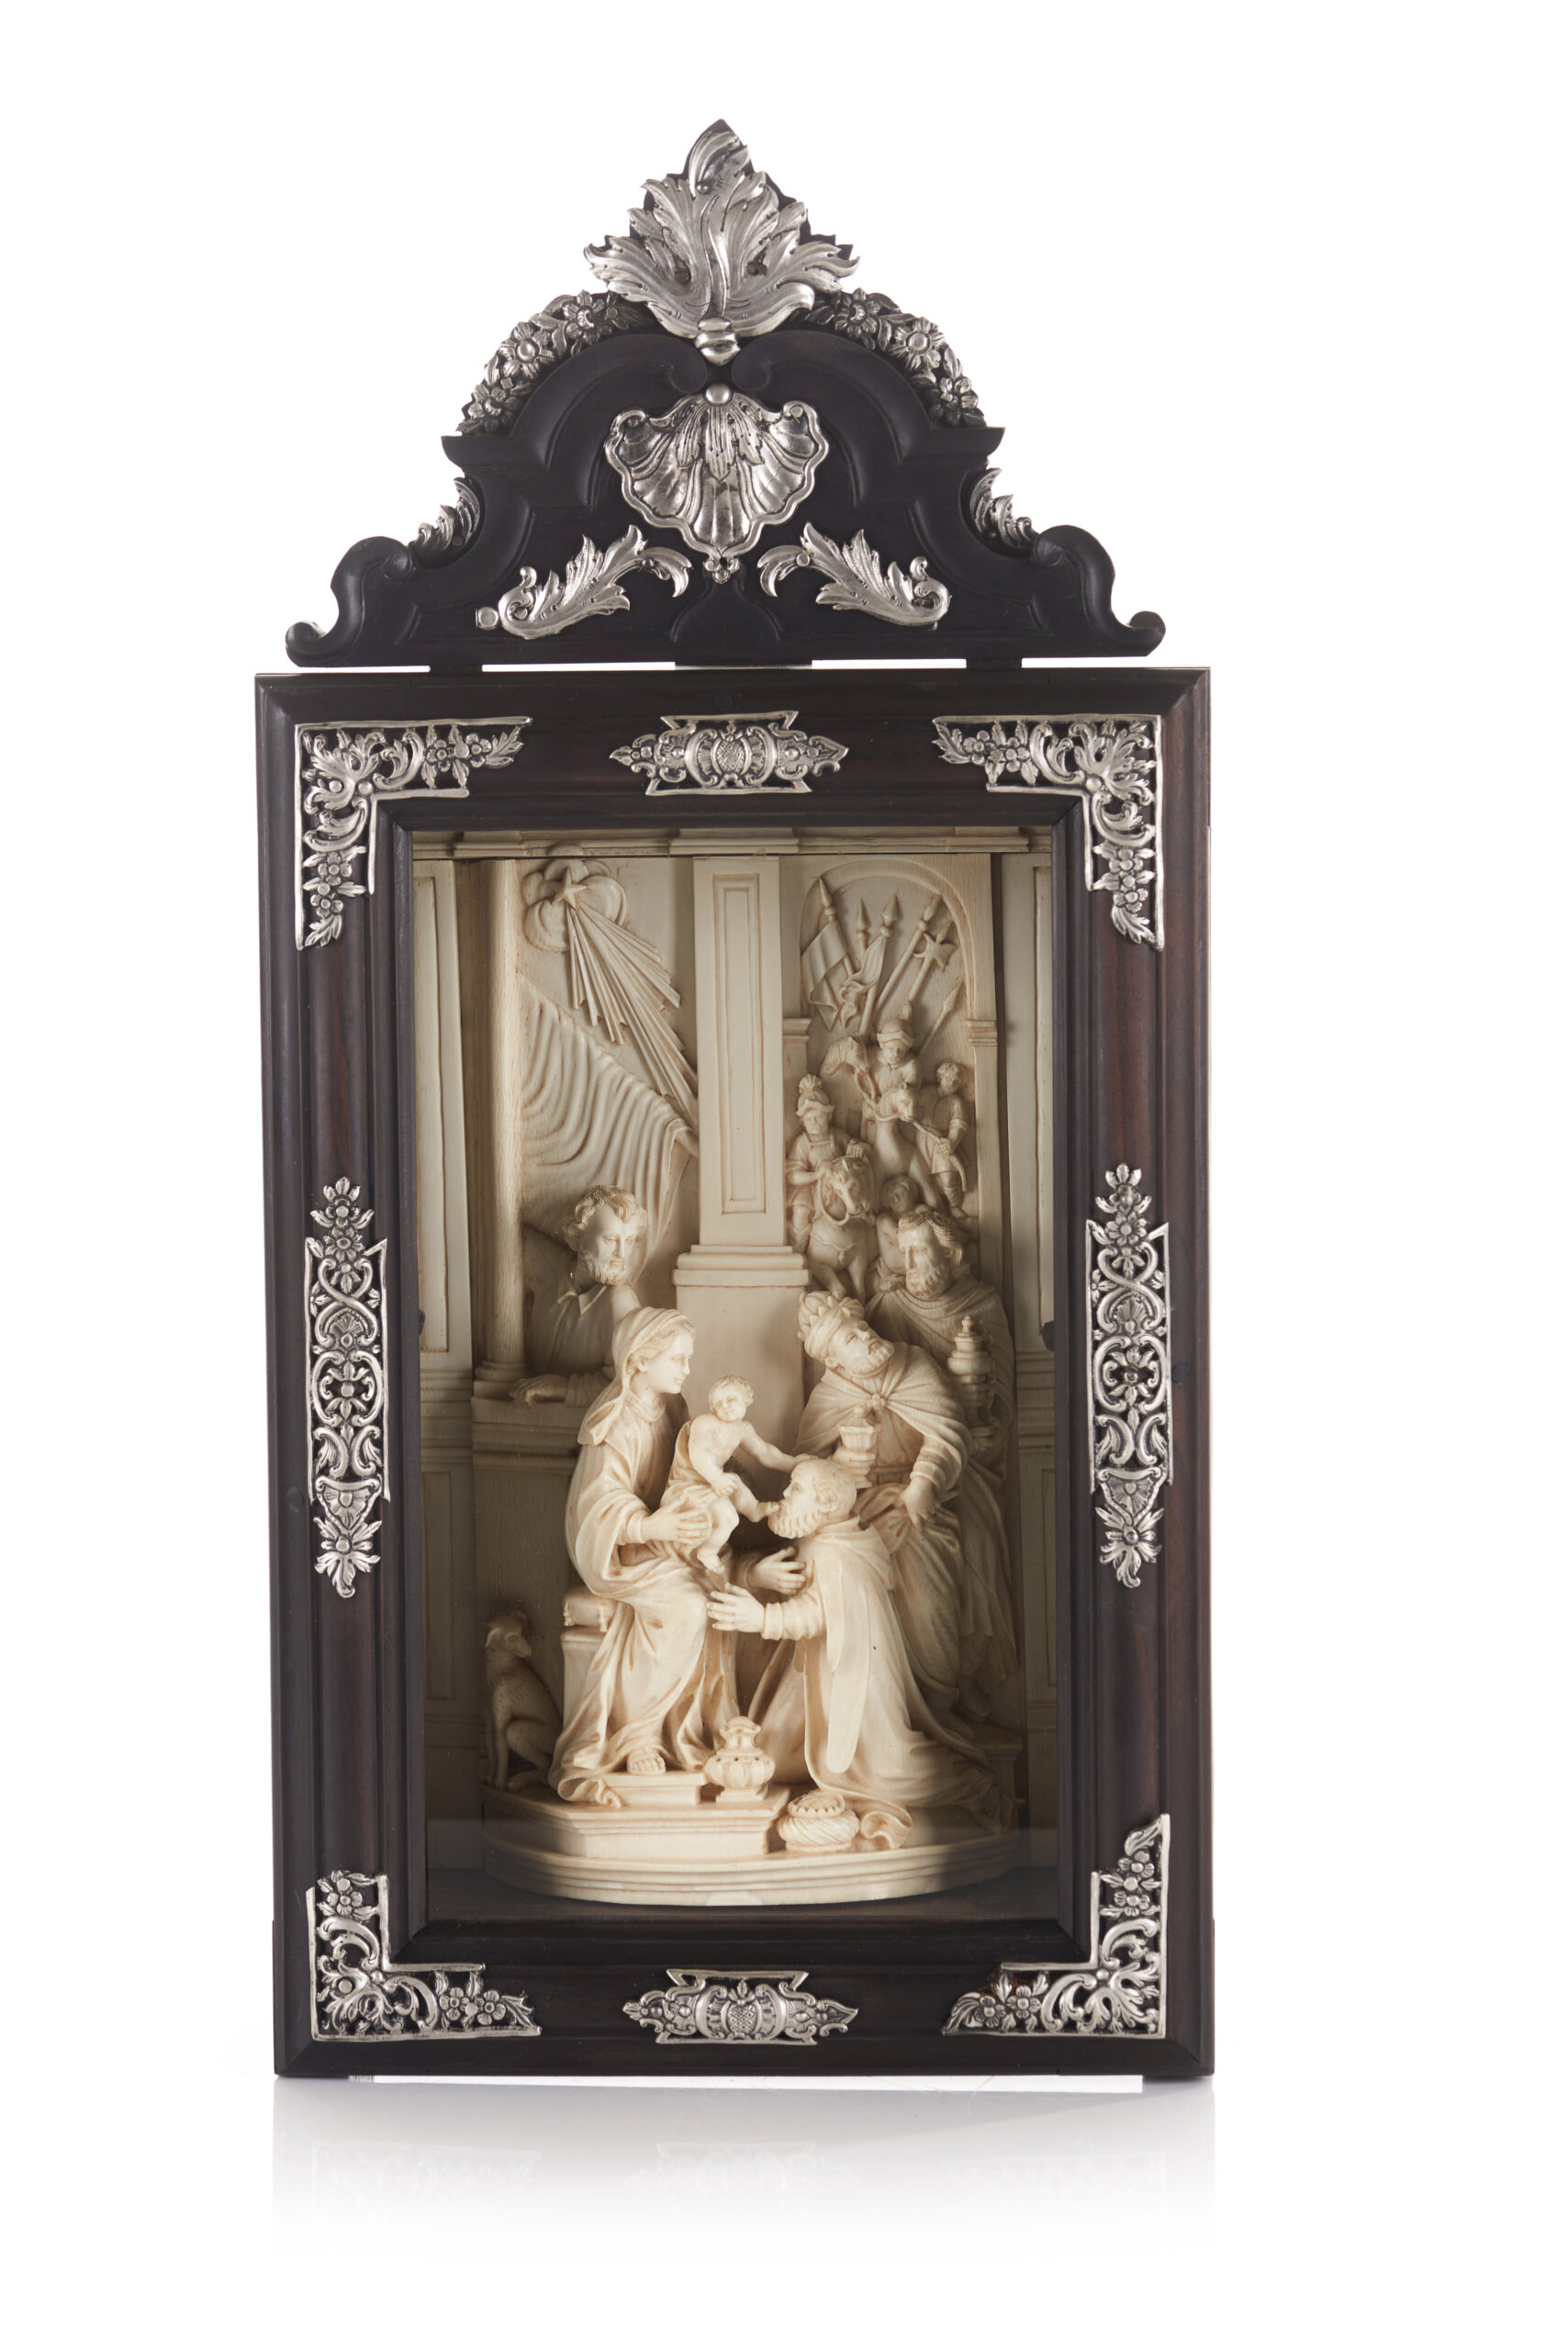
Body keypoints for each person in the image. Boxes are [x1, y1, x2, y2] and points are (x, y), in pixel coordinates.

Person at [707, 1457, 1001, 1845]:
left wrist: (761, 1617)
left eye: (797, 1489)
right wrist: (758, 1576)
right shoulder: (825, 1537)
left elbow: (816, 1614)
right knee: (772, 1750)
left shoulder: (836, 1554)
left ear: (826, 1504)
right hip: (817, 1674)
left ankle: (959, 1787)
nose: (786, 1494)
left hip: (851, 1682)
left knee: (883, 1769)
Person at [549, 1309, 727, 1799]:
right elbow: (598, 1504)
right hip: (617, 1550)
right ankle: (638, 1733)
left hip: (662, 1540)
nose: (687, 1368)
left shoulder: (672, 1408)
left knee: (722, 1586)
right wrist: (649, 1526)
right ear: (639, 1361)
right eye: (677, 1358)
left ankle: (708, 1724)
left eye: (688, 1358)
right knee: (687, 1606)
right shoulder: (614, 1423)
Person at [868, 1208, 1018, 1711]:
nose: (909, 1263)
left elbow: (1002, 1408)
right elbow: (870, 1384)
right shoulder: (889, 1308)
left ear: (950, 1253)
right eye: (904, 1252)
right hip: (903, 1460)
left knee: (976, 1538)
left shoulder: (984, 1307)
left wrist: (986, 1427)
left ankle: (964, 1672)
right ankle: (918, 1678)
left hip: (968, 1462)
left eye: (920, 1251)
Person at [793, 1291, 969, 1718]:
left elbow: (947, 1430)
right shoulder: (829, 1398)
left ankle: (940, 1703)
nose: (865, 1337)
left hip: (917, 1503)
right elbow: (809, 1469)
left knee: (930, 1604)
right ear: (833, 1361)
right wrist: (846, 1458)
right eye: (850, 1339)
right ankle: (883, 1715)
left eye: (862, 1328)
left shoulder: (913, 1364)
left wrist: (923, 1482)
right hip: (860, 1513)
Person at [513, 1185, 647, 1404]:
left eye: (630, 1241)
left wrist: (564, 1387)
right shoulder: (551, 1273)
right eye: (610, 1240)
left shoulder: (619, 1302)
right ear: (577, 1236)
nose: (622, 1254)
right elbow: (515, 1238)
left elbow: (629, 1384)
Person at [662, 1375, 802, 1583]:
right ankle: (707, 1551)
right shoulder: (704, 1423)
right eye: (718, 1404)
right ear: (712, 1408)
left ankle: (754, 1509)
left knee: (734, 1480)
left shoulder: (742, 1429)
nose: (725, 1406)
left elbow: (765, 1453)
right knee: (729, 1518)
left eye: (731, 1400)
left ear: (747, 1399)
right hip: (688, 1485)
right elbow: (699, 1454)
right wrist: (716, 1477)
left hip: (712, 1482)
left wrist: (794, 1464)